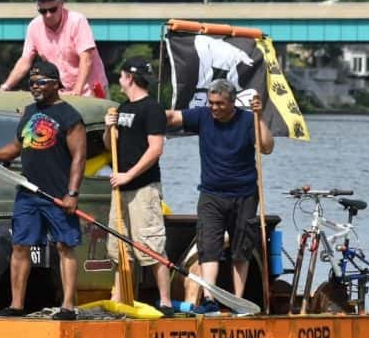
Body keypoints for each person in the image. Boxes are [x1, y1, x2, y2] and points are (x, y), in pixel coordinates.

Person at [0, 60, 86, 320]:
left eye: (39, 83)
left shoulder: (70, 116)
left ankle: (68, 306)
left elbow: (79, 157)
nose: (34, 88)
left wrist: (72, 193)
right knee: (20, 246)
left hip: (58, 194)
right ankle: (17, 306)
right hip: (28, 193)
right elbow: (15, 148)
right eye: (31, 83)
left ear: (55, 84)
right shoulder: (28, 112)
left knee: (64, 246)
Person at [165, 78, 274, 314]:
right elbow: (173, 118)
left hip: (244, 195)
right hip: (211, 195)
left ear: (232, 102)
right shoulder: (203, 116)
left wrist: (259, 117)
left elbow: (266, 147)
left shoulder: (247, 120)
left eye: (219, 104)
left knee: (240, 250)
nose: (214, 108)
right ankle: (209, 298)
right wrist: (144, 114)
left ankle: (239, 301)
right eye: (211, 103)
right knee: (209, 247)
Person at [103, 57, 174, 317]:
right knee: (119, 248)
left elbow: (156, 149)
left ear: (129, 78)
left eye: (121, 76)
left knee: (151, 246)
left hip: (143, 188)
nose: (119, 81)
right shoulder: (121, 108)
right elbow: (111, 147)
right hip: (120, 189)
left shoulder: (152, 108)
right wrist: (108, 128)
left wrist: (128, 175)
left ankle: (165, 302)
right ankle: (120, 299)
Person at [0, 0, 108, 97]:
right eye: (43, 11)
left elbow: (86, 58)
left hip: (91, 89)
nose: (48, 15)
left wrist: (77, 90)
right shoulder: (34, 27)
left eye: (53, 10)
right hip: (64, 91)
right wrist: (5, 87)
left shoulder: (77, 21)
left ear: (62, 4)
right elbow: (25, 61)